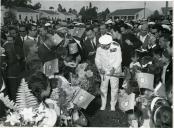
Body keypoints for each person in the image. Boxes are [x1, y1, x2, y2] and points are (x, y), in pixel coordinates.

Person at [95, 35, 122, 111]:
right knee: (103, 88)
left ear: (110, 43)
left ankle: (113, 104)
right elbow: (97, 59)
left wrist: (114, 68)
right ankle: (103, 104)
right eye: (103, 46)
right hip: (104, 70)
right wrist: (99, 68)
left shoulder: (116, 46)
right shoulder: (99, 47)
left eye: (106, 46)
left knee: (114, 87)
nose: (104, 48)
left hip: (115, 70)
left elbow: (119, 59)